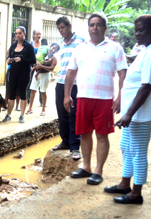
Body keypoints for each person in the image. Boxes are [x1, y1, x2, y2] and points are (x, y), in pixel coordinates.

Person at [103, 15, 151, 204]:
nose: (137, 34)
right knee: (126, 146)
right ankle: (125, 184)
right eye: (136, 30)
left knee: (138, 151)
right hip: (133, 111)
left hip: (141, 112)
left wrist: (129, 113)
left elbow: (147, 86)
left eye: (140, 30)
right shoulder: (148, 49)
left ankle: (136, 193)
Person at [64, 12, 127, 185]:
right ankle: (86, 167)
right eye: (92, 25)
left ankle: (98, 171)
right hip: (83, 98)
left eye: (98, 24)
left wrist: (120, 96)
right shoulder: (80, 48)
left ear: (105, 28)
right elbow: (70, 73)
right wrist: (67, 95)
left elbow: (123, 74)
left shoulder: (115, 48)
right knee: (84, 134)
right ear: (88, 27)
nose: (95, 28)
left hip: (104, 99)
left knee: (102, 135)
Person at [52, 16, 86, 160]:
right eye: (59, 29)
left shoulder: (81, 41)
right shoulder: (62, 43)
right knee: (62, 114)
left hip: (75, 84)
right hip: (60, 82)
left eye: (63, 28)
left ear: (70, 26)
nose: (61, 31)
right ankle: (65, 142)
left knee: (74, 114)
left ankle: (74, 147)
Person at [3, 26, 36, 124]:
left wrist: (21, 59)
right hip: (13, 73)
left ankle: (22, 115)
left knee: (23, 94)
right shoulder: (13, 46)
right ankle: (8, 114)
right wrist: (8, 60)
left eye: (20, 33)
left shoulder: (28, 46)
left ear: (24, 34)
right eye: (16, 33)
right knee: (11, 94)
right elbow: (9, 57)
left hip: (24, 73)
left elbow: (33, 60)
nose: (18, 35)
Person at [26, 43, 59, 117]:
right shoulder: (43, 54)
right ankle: (30, 108)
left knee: (43, 91)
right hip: (36, 74)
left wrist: (42, 66)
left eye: (55, 49)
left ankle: (43, 109)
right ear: (50, 47)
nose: (53, 50)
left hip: (45, 75)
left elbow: (51, 68)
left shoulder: (54, 58)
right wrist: (36, 66)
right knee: (33, 90)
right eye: (53, 47)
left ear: (57, 51)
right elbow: (36, 61)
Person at [27, 29, 42, 108]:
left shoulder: (43, 45)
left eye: (39, 34)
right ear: (33, 35)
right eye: (37, 34)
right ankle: (27, 100)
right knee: (30, 83)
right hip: (31, 66)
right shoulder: (30, 44)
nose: (38, 36)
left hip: (41, 67)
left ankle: (42, 101)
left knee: (41, 84)